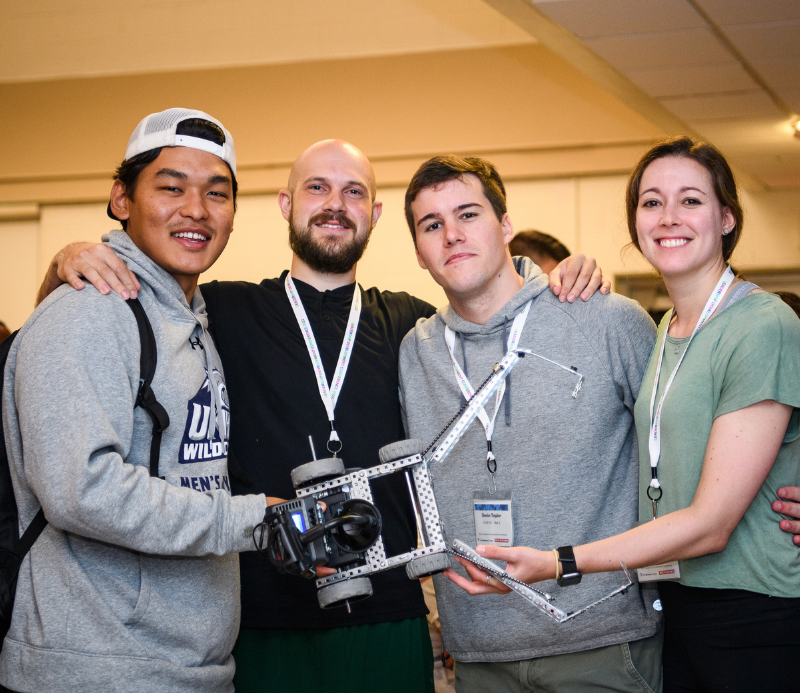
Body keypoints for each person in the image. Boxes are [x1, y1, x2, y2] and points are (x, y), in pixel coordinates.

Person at [37, 140, 609, 693]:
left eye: (353, 191)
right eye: (317, 188)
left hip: (389, 614)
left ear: (375, 213)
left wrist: (560, 277)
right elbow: (75, 337)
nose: (335, 204)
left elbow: (496, 321)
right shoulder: (222, 312)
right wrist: (66, 263)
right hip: (259, 622)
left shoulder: (414, 327)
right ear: (287, 205)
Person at [451, 138, 800, 693]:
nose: (668, 218)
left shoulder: (763, 323)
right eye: (651, 202)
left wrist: (560, 561)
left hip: (754, 615)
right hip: (676, 605)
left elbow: (711, 523)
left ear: (727, 217)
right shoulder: (662, 330)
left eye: (690, 201)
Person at [0, 108, 270, 693]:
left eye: (216, 193)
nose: (196, 209)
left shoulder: (193, 321)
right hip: (98, 668)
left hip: (182, 668)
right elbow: (81, 489)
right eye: (171, 187)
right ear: (121, 198)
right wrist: (254, 520)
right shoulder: (91, 311)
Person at [399, 154, 663, 693]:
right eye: (432, 225)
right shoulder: (414, 351)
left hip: (602, 644)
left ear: (505, 226)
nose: (451, 234)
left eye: (468, 214)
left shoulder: (605, 320)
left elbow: (691, 449)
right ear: (419, 254)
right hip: (478, 654)